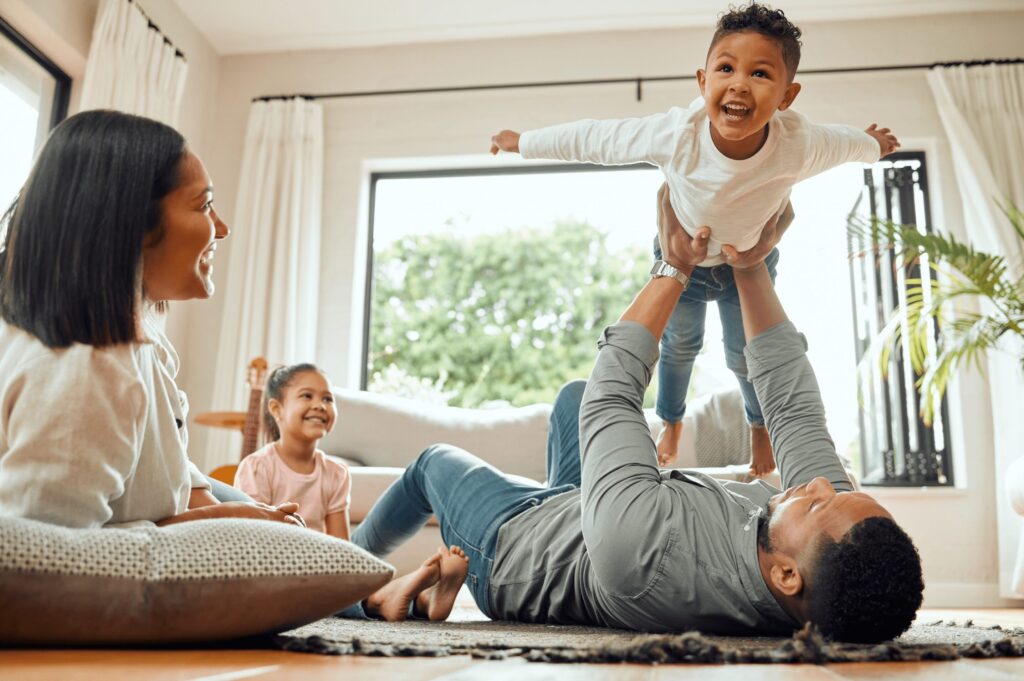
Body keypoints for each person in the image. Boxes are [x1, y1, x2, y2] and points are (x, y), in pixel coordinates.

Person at [350, 190, 924, 642]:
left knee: (432, 464)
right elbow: (794, 408)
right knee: (571, 397)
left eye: (820, 499)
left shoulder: (646, 558)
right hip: (584, 515)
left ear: (786, 576)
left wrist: (673, 267)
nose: (819, 484)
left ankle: (351, 583)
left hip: (514, 550)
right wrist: (751, 269)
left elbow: (614, 394)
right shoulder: (811, 559)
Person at [0, 109, 463, 623]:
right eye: (204, 205)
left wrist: (224, 509)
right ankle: (375, 596)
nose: (222, 228)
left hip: (189, 489)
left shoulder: (137, 342)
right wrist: (220, 523)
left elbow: (170, 466)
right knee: (294, 539)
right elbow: (43, 557)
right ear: (130, 224)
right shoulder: (87, 369)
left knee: (276, 523)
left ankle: (375, 596)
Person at [489, 2, 900, 477]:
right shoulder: (676, 134)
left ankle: (759, 427)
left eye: (761, 74)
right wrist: (524, 142)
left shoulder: (799, 143)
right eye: (726, 68)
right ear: (703, 81)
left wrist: (874, 146)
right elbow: (595, 139)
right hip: (681, 259)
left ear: (787, 96)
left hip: (748, 262)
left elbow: (847, 143)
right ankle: (671, 421)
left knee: (744, 355)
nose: (740, 83)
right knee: (680, 345)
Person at [235, 363, 352, 538]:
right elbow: (252, 537)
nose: (320, 405)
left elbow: (343, 547)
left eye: (327, 399)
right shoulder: (257, 467)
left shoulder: (336, 473)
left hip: (319, 560)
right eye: (307, 396)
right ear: (276, 409)